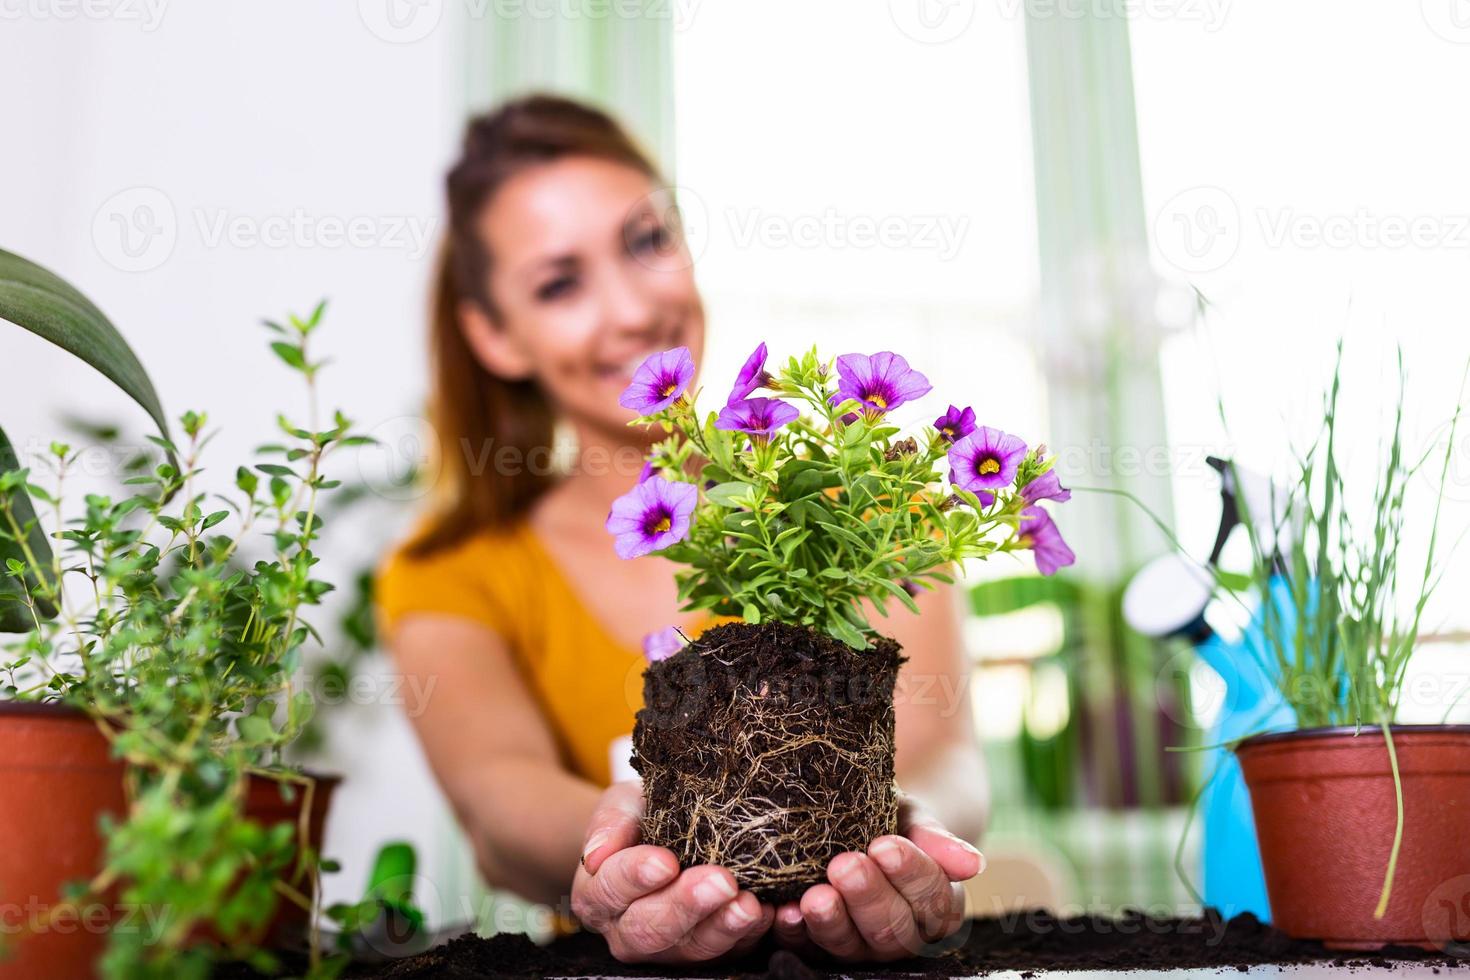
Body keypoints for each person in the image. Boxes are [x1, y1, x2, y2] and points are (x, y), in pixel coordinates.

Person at [377, 94, 990, 965]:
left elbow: (945, 755)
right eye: (560, 284)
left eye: (647, 240)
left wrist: (908, 828)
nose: (631, 310)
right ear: (494, 335)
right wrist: (626, 841)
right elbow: (495, 803)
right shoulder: (452, 569)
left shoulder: (865, 510)